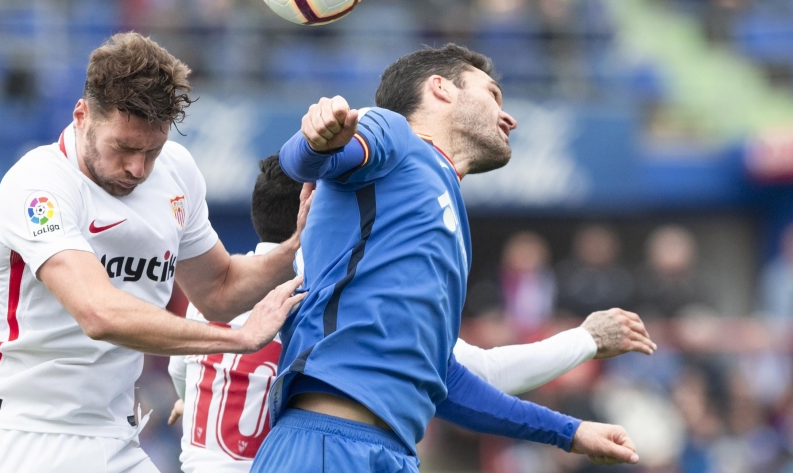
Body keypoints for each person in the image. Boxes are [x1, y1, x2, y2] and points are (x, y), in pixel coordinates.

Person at [255, 44, 645, 472]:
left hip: (391, 453)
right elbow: (310, 158)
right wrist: (314, 139)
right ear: (440, 88)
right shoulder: (393, 133)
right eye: (493, 94)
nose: (508, 115)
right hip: (328, 446)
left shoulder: (443, 207)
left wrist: (569, 432)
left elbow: (445, 380)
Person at [0, 32, 308, 473]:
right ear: (82, 116)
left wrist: (296, 248)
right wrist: (237, 339)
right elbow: (98, 313)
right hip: (19, 431)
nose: (138, 168)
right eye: (124, 148)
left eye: (151, 150)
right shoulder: (38, 183)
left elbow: (219, 288)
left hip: (112, 435)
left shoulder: (177, 173)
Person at [167, 155, 654, 472]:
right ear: (315, 205)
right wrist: (586, 340)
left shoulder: (211, 300)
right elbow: (475, 373)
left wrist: (191, 398)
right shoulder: (342, 295)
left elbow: (178, 365)